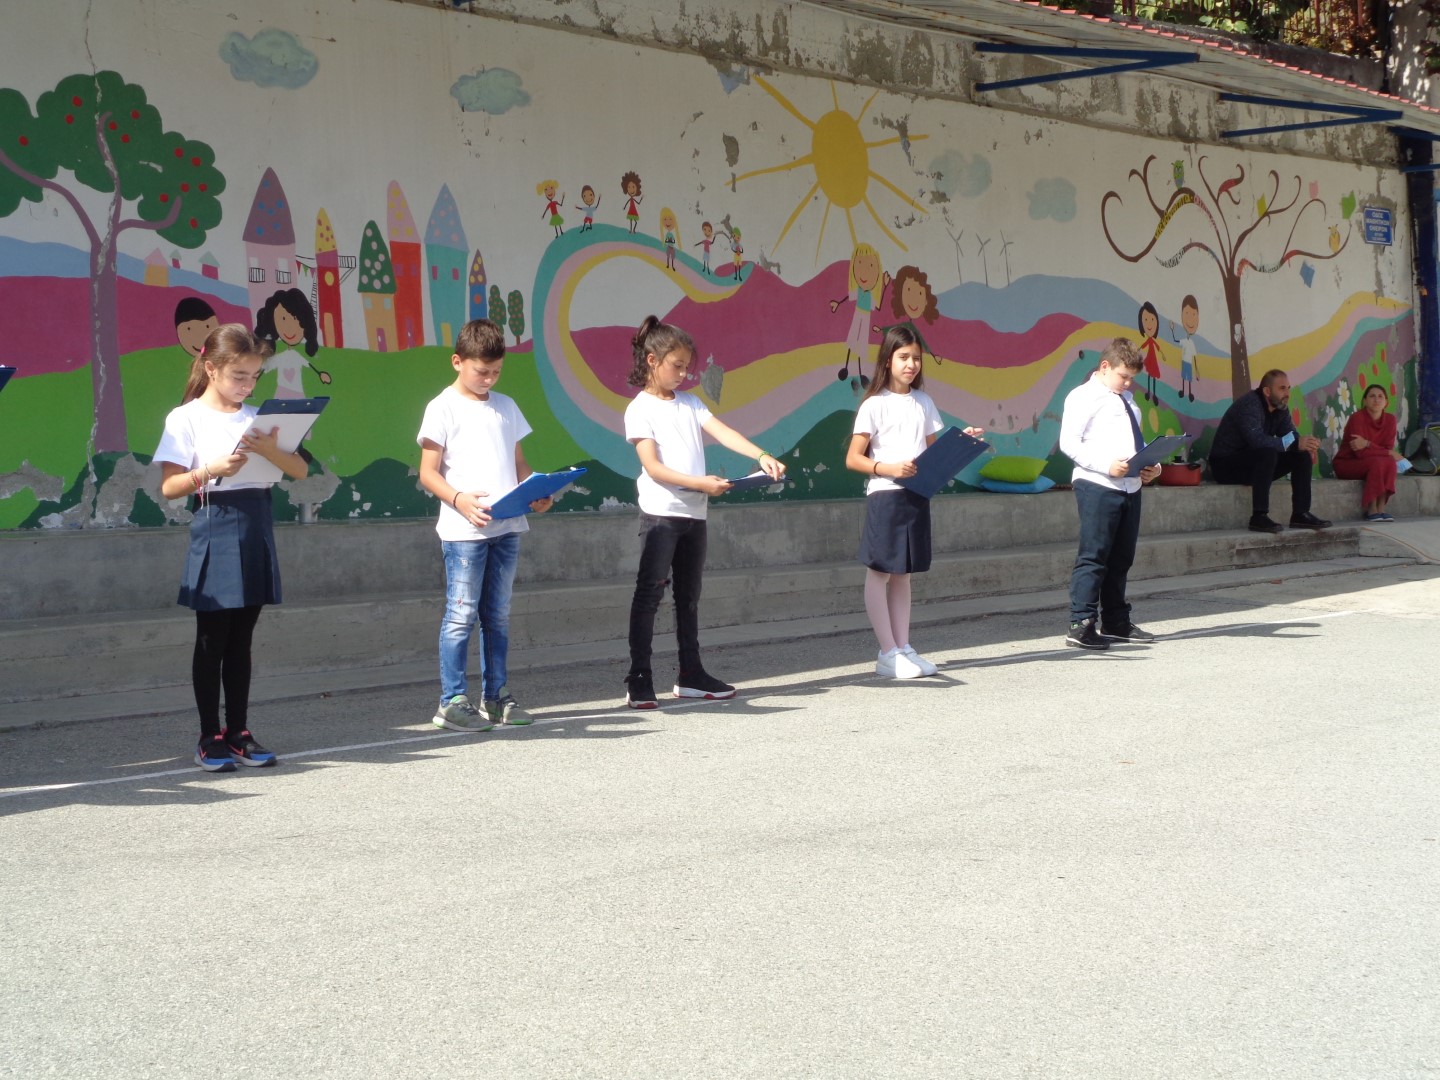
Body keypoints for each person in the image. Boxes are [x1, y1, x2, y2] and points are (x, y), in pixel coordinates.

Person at [153, 324, 311, 771]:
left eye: (254, 376)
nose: (248, 385)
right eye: (239, 375)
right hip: (215, 522)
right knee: (212, 639)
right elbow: (170, 487)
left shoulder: (258, 417)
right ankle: (210, 737)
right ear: (211, 368)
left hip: (256, 521)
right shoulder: (184, 418)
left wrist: (270, 449)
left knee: (241, 640)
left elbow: (299, 471)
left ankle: (239, 732)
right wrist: (212, 469)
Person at [622, 315, 786, 708]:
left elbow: (724, 432)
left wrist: (761, 455)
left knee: (689, 597)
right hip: (661, 515)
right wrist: (701, 483)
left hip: (695, 516)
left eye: (686, 368)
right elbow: (653, 468)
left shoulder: (691, 403)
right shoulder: (639, 409)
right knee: (649, 595)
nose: (683, 375)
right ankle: (639, 677)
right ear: (652, 360)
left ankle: (690, 674)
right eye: (676, 366)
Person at [417, 319, 551, 732]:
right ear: (457, 362)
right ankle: (451, 701)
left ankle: (496, 697)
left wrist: (537, 491)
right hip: (465, 533)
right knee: (461, 616)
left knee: (498, 616)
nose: (489, 378)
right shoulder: (442, 407)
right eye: (481, 371)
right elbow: (428, 473)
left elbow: (519, 462)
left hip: (507, 528)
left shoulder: (506, 406)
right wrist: (459, 499)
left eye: (496, 371)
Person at [845, 324, 981, 678]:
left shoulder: (924, 402)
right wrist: (888, 468)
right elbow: (853, 458)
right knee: (879, 571)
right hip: (886, 495)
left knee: (903, 574)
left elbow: (934, 454)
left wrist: (961, 440)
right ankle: (887, 651)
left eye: (917, 358)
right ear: (887, 360)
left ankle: (903, 646)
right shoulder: (874, 404)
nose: (911, 364)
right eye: (904, 357)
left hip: (917, 494)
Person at [1059, 338, 1162, 651]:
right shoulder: (1082, 396)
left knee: (1122, 558)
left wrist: (1152, 466)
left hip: (1130, 486)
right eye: (1123, 376)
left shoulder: (1128, 400)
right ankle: (1081, 623)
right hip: (1097, 485)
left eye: (1132, 378)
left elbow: (1134, 444)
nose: (1128, 383)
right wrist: (1106, 466)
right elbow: (1069, 443)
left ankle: (1116, 621)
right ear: (1105, 366)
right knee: (1094, 556)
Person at [1208, 369, 1330, 533]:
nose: (1287, 394)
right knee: (1268, 453)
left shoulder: (1281, 408)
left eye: (1288, 388)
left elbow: (1290, 436)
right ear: (1267, 391)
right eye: (1282, 388)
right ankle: (1259, 517)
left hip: (1254, 464)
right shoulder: (1250, 404)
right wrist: (1295, 444)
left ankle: (1301, 514)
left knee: (1301, 456)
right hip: (1225, 466)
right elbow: (1257, 441)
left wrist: (1306, 444)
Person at [1332, 383, 1405, 521]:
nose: (1376, 400)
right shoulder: (1357, 418)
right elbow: (1360, 453)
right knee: (1379, 461)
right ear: (1365, 401)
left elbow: (1387, 448)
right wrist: (1387, 452)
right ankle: (1372, 510)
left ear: (1386, 402)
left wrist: (1367, 444)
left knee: (1389, 462)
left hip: (1373, 462)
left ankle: (1381, 509)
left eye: (1380, 396)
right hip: (1347, 463)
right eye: (1372, 396)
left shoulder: (1390, 420)